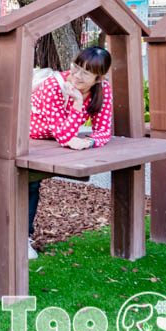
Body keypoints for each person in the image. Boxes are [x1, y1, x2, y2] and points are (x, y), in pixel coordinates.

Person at [27, 46, 113, 260]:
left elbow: (103, 131)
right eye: (76, 67)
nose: (77, 75)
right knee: (29, 181)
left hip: (56, 142)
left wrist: (89, 143)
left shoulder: (104, 91)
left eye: (86, 72)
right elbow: (65, 136)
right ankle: (22, 238)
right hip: (30, 138)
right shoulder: (53, 86)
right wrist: (76, 104)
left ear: (99, 78)